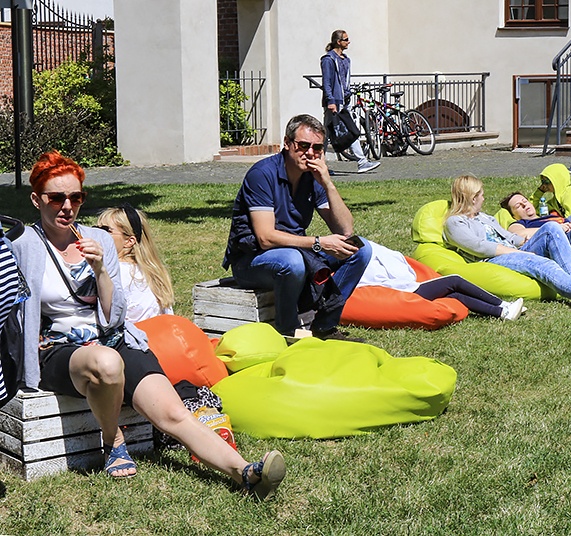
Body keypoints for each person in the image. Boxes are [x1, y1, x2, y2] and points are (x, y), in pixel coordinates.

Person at [11, 151, 284, 498]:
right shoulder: (22, 246)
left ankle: (245, 473)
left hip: (113, 338)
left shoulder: (98, 240)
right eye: (56, 198)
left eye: (76, 197)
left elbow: (114, 315)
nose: (67, 206)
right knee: (106, 364)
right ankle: (113, 443)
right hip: (57, 349)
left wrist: (100, 271)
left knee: (173, 412)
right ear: (37, 199)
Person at [223, 114, 373, 340]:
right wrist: (319, 243)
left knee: (360, 250)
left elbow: (345, 230)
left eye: (317, 148)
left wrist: (328, 183)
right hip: (252, 260)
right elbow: (266, 238)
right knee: (292, 262)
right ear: (287, 143)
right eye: (303, 145)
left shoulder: (313, 177)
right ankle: (288, 332)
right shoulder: (262, 175)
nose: (310, 153)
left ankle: (324, 325)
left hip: (298, 253)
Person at [442, 175, 571, 311]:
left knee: (552, 229)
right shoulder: (455, 222)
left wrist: (526, 239)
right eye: (481, 194)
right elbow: (480, 247)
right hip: (491, 259)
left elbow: (508, 237)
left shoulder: (484, 217)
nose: (484, 197)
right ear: (473, 197)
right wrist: (518, 253)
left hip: (514, 250)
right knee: (543, 263)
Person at [359, 241, 525, 320]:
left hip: (405, 289)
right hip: (405, 292)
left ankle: (501, 313)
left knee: (454, 296)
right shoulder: (355, 269)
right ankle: (503, 305)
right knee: (454, 281)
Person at [97, 205, 175, 322]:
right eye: (96, 229)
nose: (97, 234)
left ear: (129, 241)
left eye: (105, 230)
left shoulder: (115, 272)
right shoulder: (152, 272)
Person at [321, 29, 380, 174]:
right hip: (334, 101)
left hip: (344, 100)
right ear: (338, 42)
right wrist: (330, 101)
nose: (349, 42)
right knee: (347, 130)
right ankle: (362, 162)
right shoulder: (328, 60)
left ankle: (320, 166)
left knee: (329, 133)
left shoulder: (345, 59)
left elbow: (344, 80)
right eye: (346, 39)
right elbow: (327, 82)